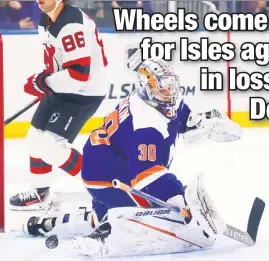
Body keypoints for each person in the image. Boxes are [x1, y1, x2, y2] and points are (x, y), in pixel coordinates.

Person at [23, 58, 242, 257]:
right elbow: (148, 179)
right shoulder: (145, 124)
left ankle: (47, 224)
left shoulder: (153, 100)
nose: (168, 92)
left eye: (170, 85)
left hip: (111, 161)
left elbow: (179, 117)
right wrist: (180, 198)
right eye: (160, 88)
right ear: (147, 89)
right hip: (105, 176)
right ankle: (104, 234)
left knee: (102, 213)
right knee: (148, 212)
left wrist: (202, 121)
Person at [9, 0, 109, 210]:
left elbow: (79, 75)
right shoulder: (44, 20)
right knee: (35, 138)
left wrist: (42, 82)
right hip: (62, 87)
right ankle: (40, 191)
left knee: (51, 146)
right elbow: (56, 63)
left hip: (84, 92)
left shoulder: (71, 24)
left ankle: (105, 188)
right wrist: (47, 82)